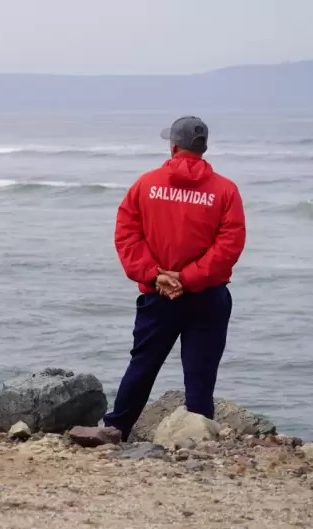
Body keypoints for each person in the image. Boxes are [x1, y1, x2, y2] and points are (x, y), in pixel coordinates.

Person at [102, 116, 246, 442]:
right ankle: (197, 438)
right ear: (203, 147)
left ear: (173, 145)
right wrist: (190, 277)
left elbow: (127, 235)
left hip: (159, 295)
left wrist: (157, 276)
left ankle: (115, 429)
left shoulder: (145, 184)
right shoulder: (225, 190)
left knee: (143, 365)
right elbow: (229, 245)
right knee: (200, 373)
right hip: (208, 295)